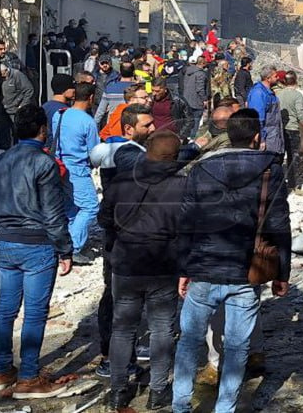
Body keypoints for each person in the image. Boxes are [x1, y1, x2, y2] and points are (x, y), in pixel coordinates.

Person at [173, 110, 291, 413]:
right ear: (257, 137)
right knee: (238, 346)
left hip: (203, 267)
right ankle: (225, 408)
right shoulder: (271, 170)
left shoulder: (201, 168)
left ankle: (180, 406)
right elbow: (279, 224)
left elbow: (186, 221)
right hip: (246, 270)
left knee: (190, 339)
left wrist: (184, 268)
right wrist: (282, 272)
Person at [0, 105, 74, 399]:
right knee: (35, 313)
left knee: (6, 309)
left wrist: (0, 232)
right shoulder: (44, 162)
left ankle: (2, 371)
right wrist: (65, 249)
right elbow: (53, 212)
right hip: (37, 243)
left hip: (6, 240)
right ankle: (28, 377)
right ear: (43, 129)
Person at [100, 130, 183, 412]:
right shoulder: (182, 186)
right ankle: (158, 391)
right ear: (174, 158)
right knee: (162, 328)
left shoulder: (122, 181)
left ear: (147, 151)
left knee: (122, 328)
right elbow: (189, 226)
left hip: (126, 263)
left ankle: (118, 390)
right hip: (163, 265)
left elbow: (104, 218)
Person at [89, 105, 153, 383]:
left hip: (122, 236)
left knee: (123, 297)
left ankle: (121, 352)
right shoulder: (126, 155)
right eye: (146, 125)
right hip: (121, 239)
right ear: (128, 129)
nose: (152, 129)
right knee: (117, 298)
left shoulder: (116, 152)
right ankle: (113, 358)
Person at [52, 82, 102, 262]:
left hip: (60, 166)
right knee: (90, 207)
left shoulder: (59, 114)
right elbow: (94, 152)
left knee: (71, 207)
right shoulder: (88, 121)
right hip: (79, 168)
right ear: (91, 98)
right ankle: (74, 248)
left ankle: (67, 242)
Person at [275, 71, 303, 190]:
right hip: (292, 129)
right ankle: (294, 185)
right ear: (295, 80)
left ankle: (281, 183)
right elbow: (300, 114)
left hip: (281, 129)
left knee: (282, 157)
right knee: (294, 158)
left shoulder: (279, 95)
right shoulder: (297, 95)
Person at [246, 66, 283, 153]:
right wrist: (262, 139)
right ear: (268, 78)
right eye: (275, 76)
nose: (278, 78)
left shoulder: (268, 91)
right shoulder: (259, 93)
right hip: (268, 137)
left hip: (274, 134)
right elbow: (257, 118)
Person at [182, 54, 210, 136]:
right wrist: (204, 99)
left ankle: (187, 136)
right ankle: (193, 137)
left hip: (187, 99)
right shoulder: (201, 74)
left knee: (188, 121)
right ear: (203, 63)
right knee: (196, 122)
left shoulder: (188, 71)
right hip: (196, 101)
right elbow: (200, 89)